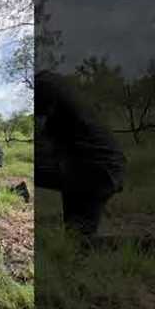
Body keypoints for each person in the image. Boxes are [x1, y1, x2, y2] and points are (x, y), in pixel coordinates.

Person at [35, 70, 126, 237]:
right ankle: (140, 247)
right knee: (76, 240)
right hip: (101, 167)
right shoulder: (57, 84)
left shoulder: (44, 84)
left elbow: (40, 138)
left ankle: (142, 246)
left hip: (95, 168)